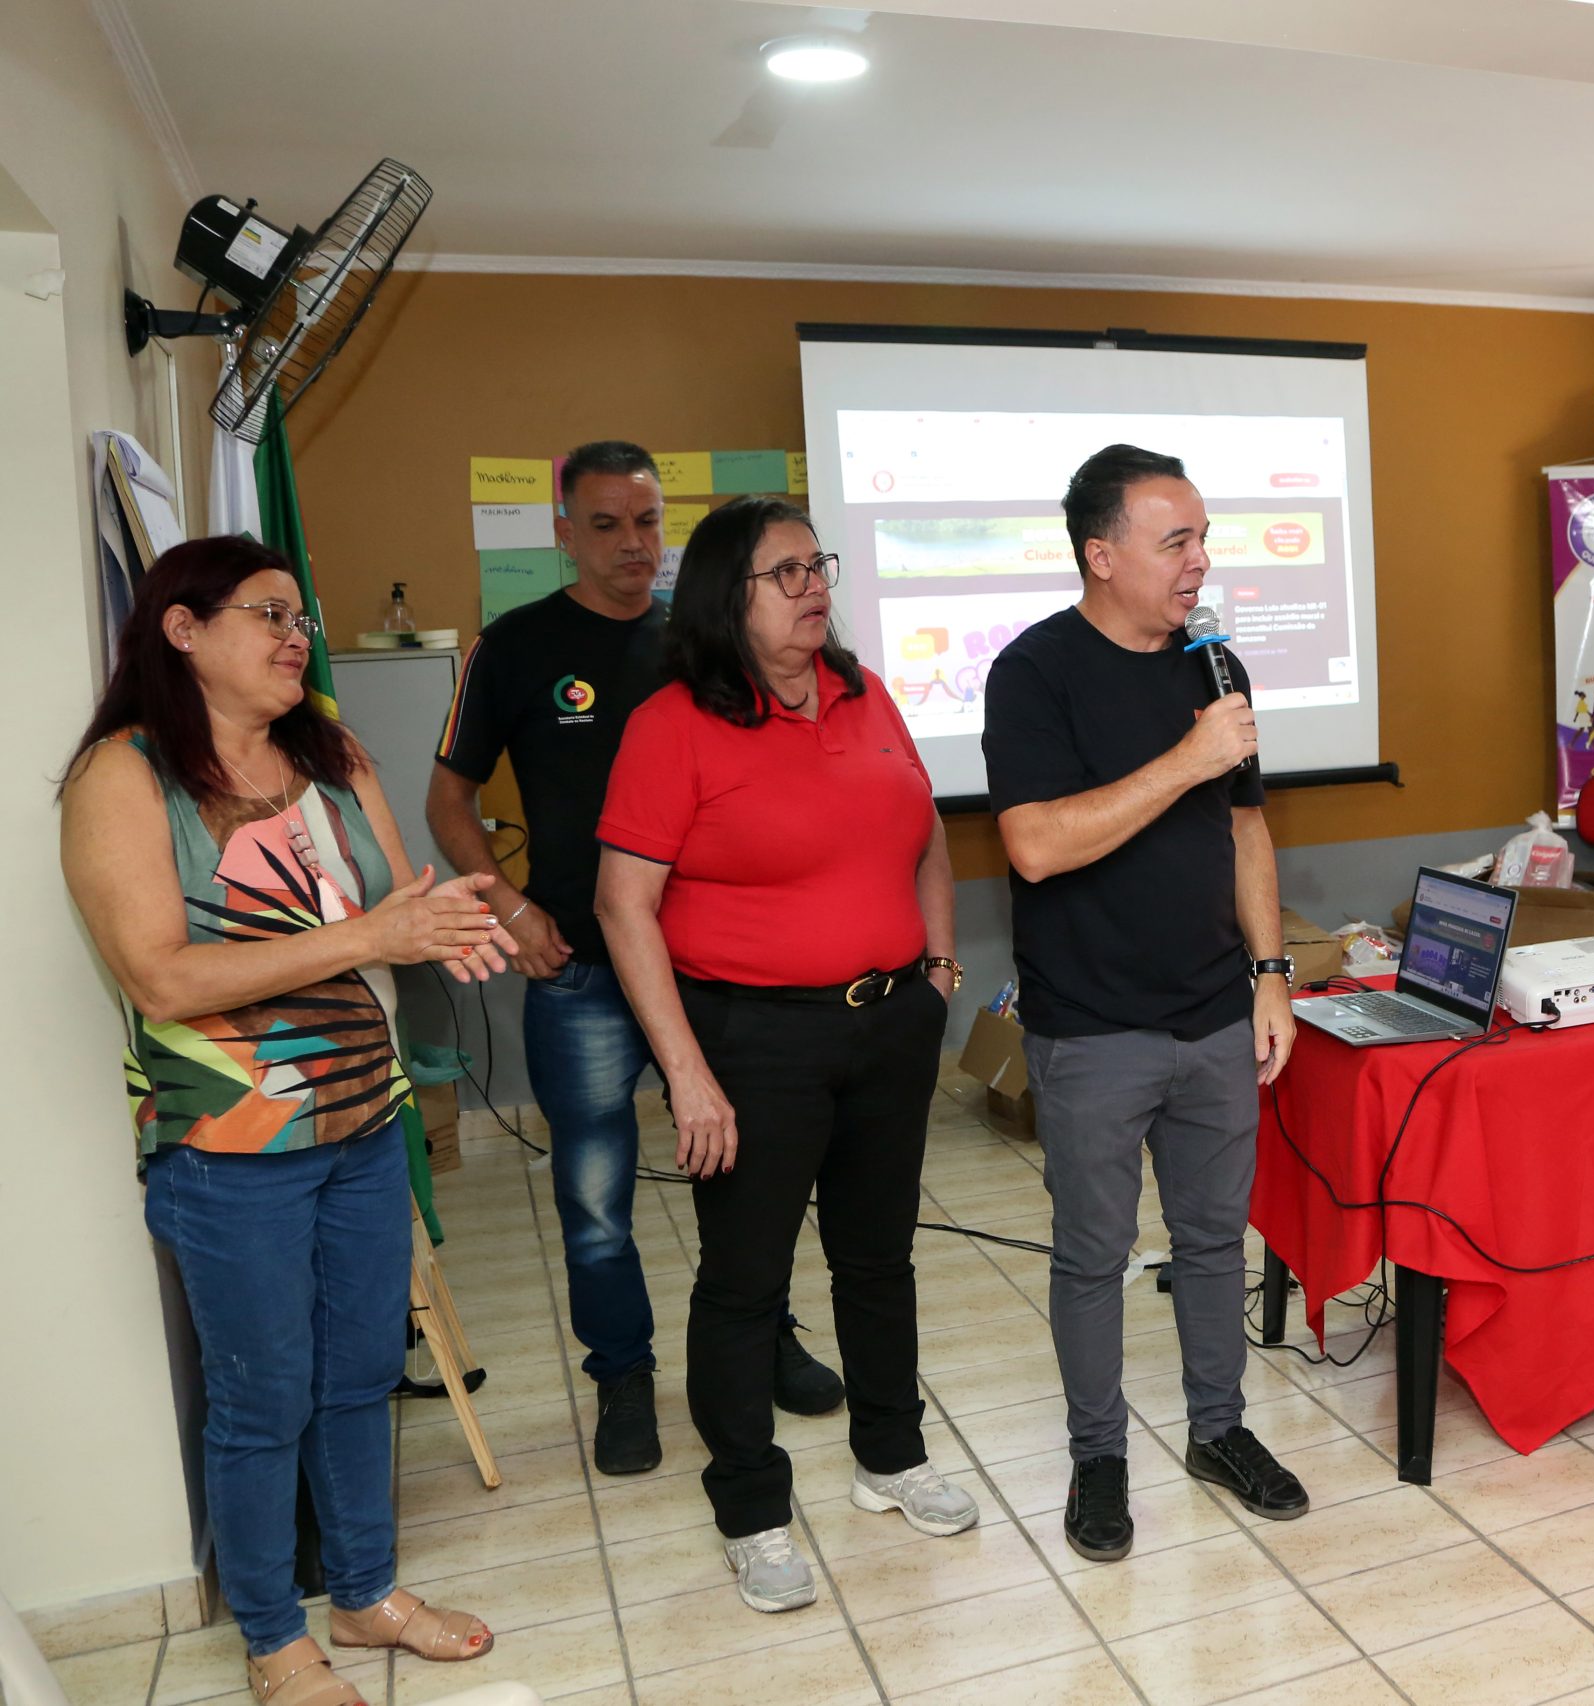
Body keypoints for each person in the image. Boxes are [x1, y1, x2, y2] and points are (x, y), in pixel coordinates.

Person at [59, 538, 506, 1706]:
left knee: (360, 1371)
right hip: (231, 1148)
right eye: (267, 613)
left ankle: (362, 1591)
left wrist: (450, 920)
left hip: (366, 1119)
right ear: (182, 629)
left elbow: (400, 907)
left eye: (299, 614)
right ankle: (273, 1634)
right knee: (264, 1392)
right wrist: (370, 938)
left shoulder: (334, 753)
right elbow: (162, 979)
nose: (295, 632)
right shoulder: (126, 775)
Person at [428, 441, 843, 1478]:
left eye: (649, 522)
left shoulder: (704, 641)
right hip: (578, 965)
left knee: (742, 1166)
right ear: (564, 531)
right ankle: (621, 1372)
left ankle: (764, 1332)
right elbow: (448, 798)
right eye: (606, 523)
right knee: (597, 1189)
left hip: (708, 959)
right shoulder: (514, 646)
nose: (632, 543)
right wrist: (509, 907)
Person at [595, 498, 975, 1614]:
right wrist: (688, 1072)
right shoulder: (673, 722)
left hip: (890, 1022)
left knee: (878, 1258)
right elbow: (625, 906)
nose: (815, 584)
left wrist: (940, 970)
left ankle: (888, 1457)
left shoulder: (864, 692)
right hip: (751, 1040)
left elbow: (927, 836)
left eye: (820, 563)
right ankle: (753, 1509)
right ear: (729, 596)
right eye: (786, 570)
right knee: (745, 1281)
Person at [983, 443, 1309, 1564]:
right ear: (1101, 553)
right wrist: (1185, 758)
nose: (1199, 561)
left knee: (1216, 1241)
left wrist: (1271, 975)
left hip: (1218, 1010)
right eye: (1176, 540)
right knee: (1093, 1253)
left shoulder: (1215, 667)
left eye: (1204, 536)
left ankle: (1218, 1431)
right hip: (1092, 1025)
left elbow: (1247, 828)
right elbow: (1032, 845)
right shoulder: (1035, 672)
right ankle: (1098, 1456)